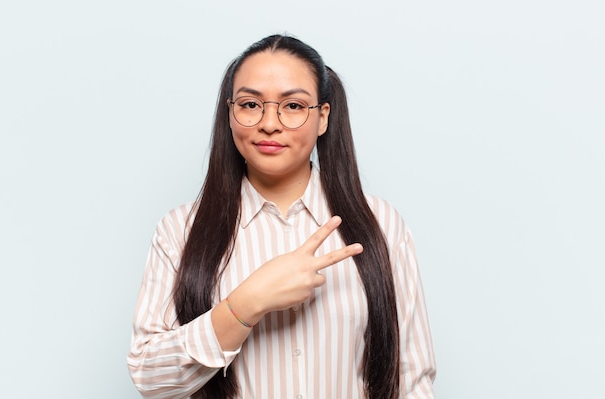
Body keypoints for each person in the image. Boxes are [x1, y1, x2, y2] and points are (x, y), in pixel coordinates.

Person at [127, 34, 436, 398]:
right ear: (230, 114)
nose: (269, 123)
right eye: (250, 104)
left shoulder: (382, 224)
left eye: (292, 106)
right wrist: (247, 302)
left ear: (322, 118)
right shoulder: (180, 230)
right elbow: (151, 378)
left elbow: (412, 380)